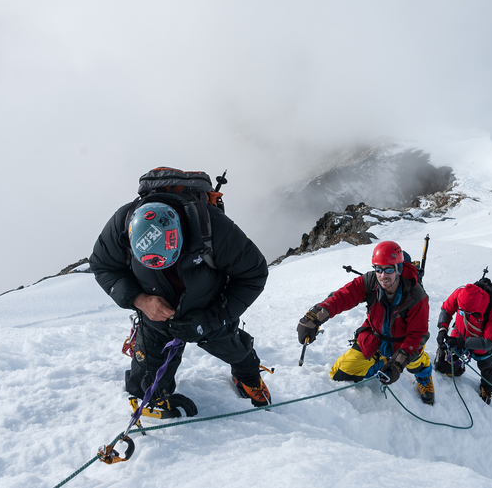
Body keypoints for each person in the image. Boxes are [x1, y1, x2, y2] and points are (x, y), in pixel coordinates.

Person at [90, 167, 272, 416]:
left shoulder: (215, 227)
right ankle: (154, 394)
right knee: (143, 386)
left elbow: (254, 273)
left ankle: (247, 376)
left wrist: (212, 318)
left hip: (209, 309)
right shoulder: (123, 222)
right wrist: (140, 300)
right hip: (154, 315)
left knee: (235, 349)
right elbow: (103, 266)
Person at [296, 240, 435, 405]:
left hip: (404, 344)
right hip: (374, 338)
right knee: (340, 374)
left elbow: (417, 334)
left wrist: (397, 364)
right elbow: (342, 297)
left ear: (399, 269)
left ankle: (424, 375)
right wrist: (314, 317)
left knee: (415, 363)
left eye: (389, 269)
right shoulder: (370, 282)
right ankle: (382, 362)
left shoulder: (416, 295)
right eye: (379, 269)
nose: (383, 276)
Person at [433, 283, 492, 404]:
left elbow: (489, 341)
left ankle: (487, 388)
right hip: (460, 333)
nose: (464, 313)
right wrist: (442, 329)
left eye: (468, 312)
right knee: (444, 361)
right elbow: (446, 309)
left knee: (486, 366)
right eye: (462, 310)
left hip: (480, 343)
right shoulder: (459, 293)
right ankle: (457, 368)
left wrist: (463, 342)